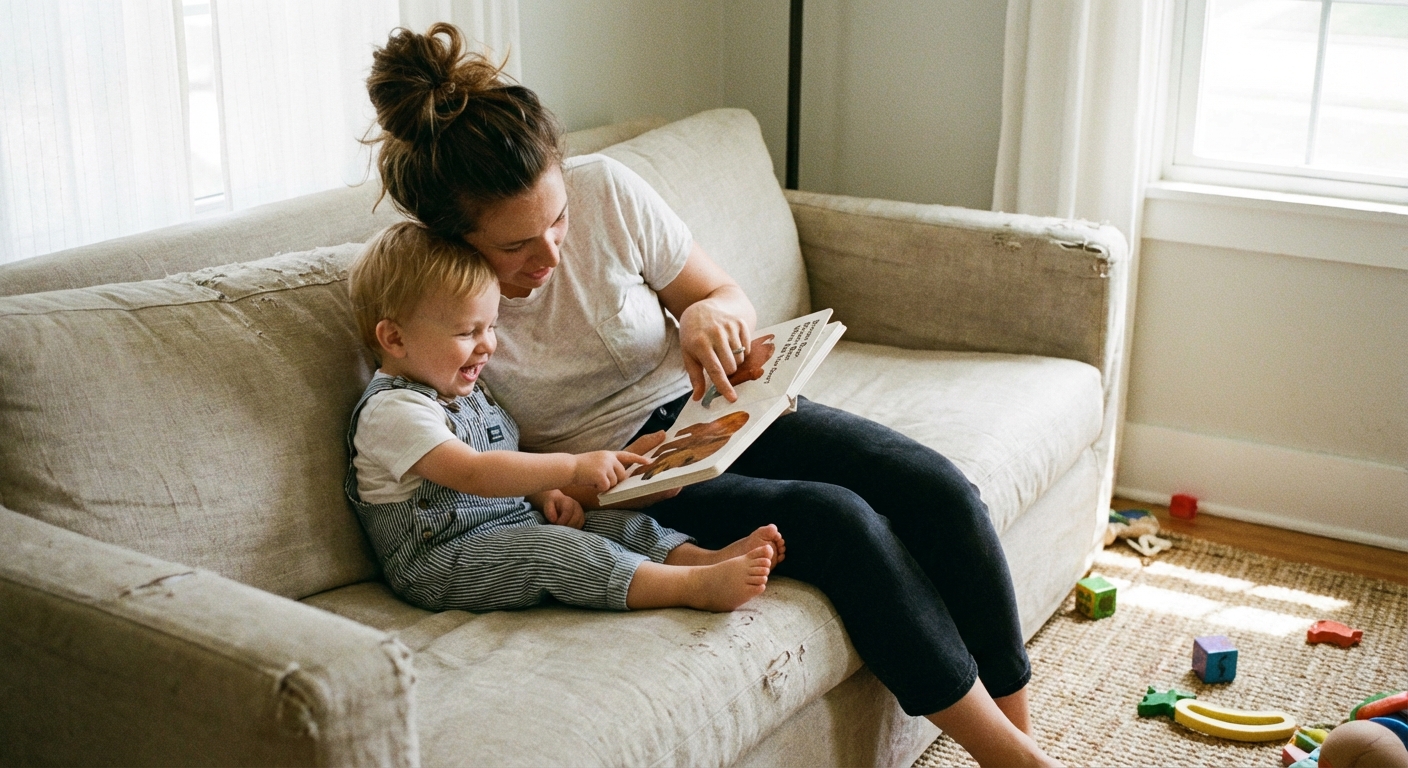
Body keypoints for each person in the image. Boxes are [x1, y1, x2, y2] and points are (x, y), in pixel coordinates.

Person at [364, 23, 1063, 768]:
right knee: (840, 522)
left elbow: (721, 293)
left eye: (558, 218)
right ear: (451, 237)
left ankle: (1022, 734)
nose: (551, 253)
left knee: (935, 487)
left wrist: (707, 317)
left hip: (713, 406)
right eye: (514, 247)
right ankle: (1009, 761)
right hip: (633, 477)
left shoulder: (607, 190)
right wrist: (565, 486)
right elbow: (466, 452)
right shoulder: (442, 309)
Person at [344, 221, 785, 614]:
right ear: (395, 338)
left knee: (610, 524)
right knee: (555, 549)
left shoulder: (469, 391)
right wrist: (573, 466)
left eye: (491, 326)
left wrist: (546, 494)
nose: (487, 346)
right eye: (468, 332)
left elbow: (505, 458)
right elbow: (475, 473)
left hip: (508, 526)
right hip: (441, 560)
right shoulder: (393, 411)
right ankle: (692, 587)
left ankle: (706, 559)